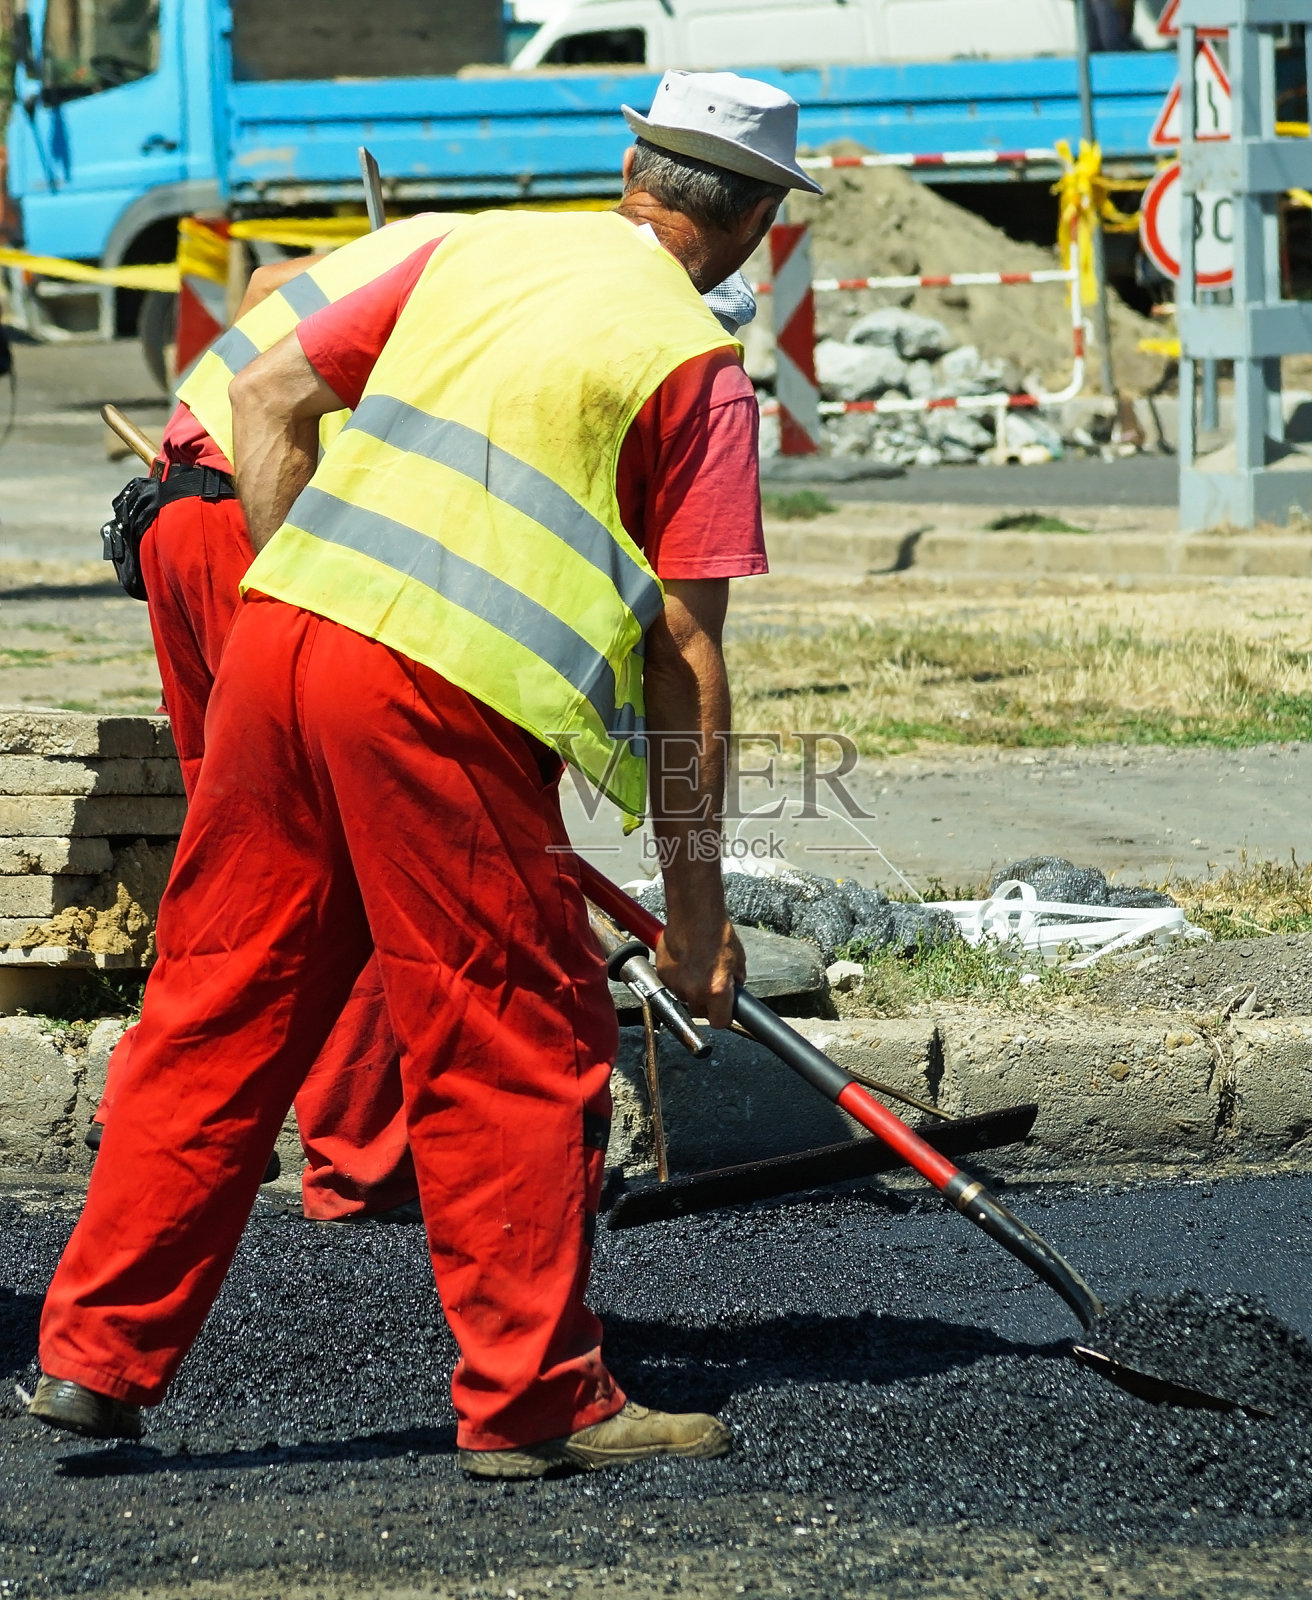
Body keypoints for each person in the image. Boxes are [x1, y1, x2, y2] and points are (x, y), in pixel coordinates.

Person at [29, 70, 821, 1478]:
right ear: (757, 219)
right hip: (434, 697)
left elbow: (268, 391)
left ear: (634, 171)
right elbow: (686, 658)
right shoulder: (695, 367)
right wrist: (696, 911)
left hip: (282, 641)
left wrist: (306, 592)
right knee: (515, 1032)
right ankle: (535, 1405)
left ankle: (94, 1355)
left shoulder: (482, 250)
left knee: (219, 1005)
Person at [89, 217, 461, 1223]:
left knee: (232, 843)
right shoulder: (541, 294)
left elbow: (264, 287)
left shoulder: (451, 246)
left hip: (186, 513)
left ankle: (153, 1115)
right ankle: (359, 1161)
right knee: (354, 843)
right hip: (258, 528)